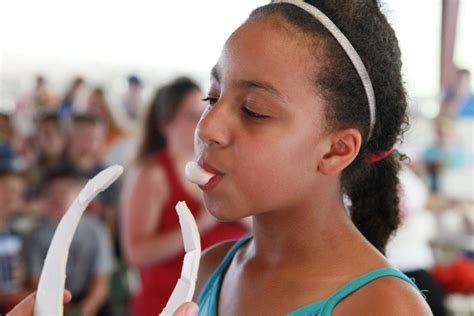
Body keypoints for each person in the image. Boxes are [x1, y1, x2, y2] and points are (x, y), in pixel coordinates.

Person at [190, 1, 430, 315]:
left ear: (336, 150)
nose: (207, 127)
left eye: (253, 111)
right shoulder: (209, 269)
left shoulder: (384, 308)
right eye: (213, 97)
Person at [120, 77, 248, 316]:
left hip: (219, 302)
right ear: (166, 123)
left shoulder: (220, 166)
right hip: (168, 304)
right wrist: (200, 224)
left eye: (204, 112)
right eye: (190, 116)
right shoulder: (153, 174)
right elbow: (136, 253)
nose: (202, 123)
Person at [27, 167, 115, 316]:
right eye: (50, 193)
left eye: (63, 191)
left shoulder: (96, 228)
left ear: (78, 193)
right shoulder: (35, 236)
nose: (57, 198)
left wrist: (89, 306)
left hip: (89, 299)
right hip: (50, 302)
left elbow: (102, 277)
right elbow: (36, 280)